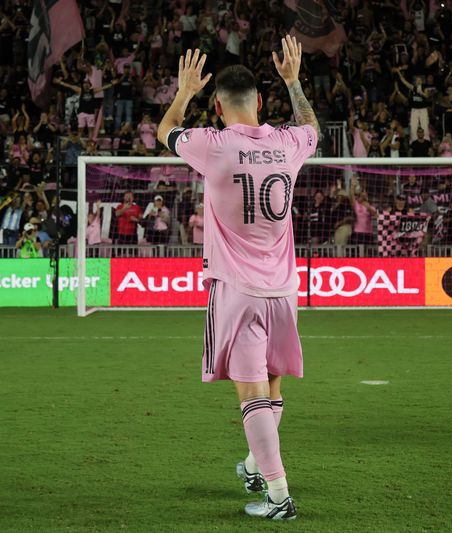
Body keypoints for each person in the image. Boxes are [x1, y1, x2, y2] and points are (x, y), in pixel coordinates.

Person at [157, 37, 319, 520]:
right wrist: (293, 81)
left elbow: (166, 130)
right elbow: (312, 126)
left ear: (218, 107)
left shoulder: (211, 145)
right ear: (262, 102)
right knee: (272, 388)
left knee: (251, 394)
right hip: (285, 292)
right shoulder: (289, 142)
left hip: (236, 290)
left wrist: (184, 91)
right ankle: (254, 463)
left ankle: (277, 495)